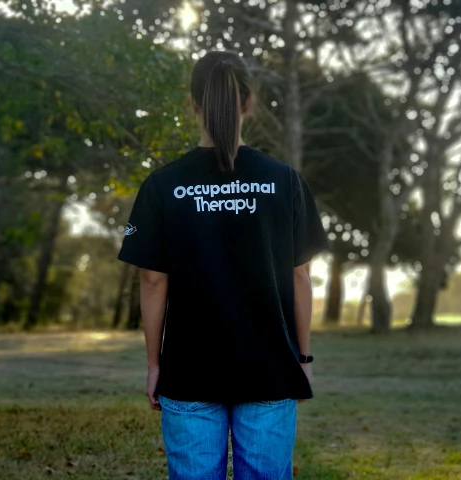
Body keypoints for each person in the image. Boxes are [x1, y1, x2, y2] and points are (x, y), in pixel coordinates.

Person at [117, 50, 328, 480]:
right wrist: (301, 358)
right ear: (248, 103)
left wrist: (155, 365)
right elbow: (300, 275)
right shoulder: (283, 180)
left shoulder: (163, 185)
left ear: (192, 103)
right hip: (269, 370)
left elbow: (153, 279)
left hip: (188, 372)